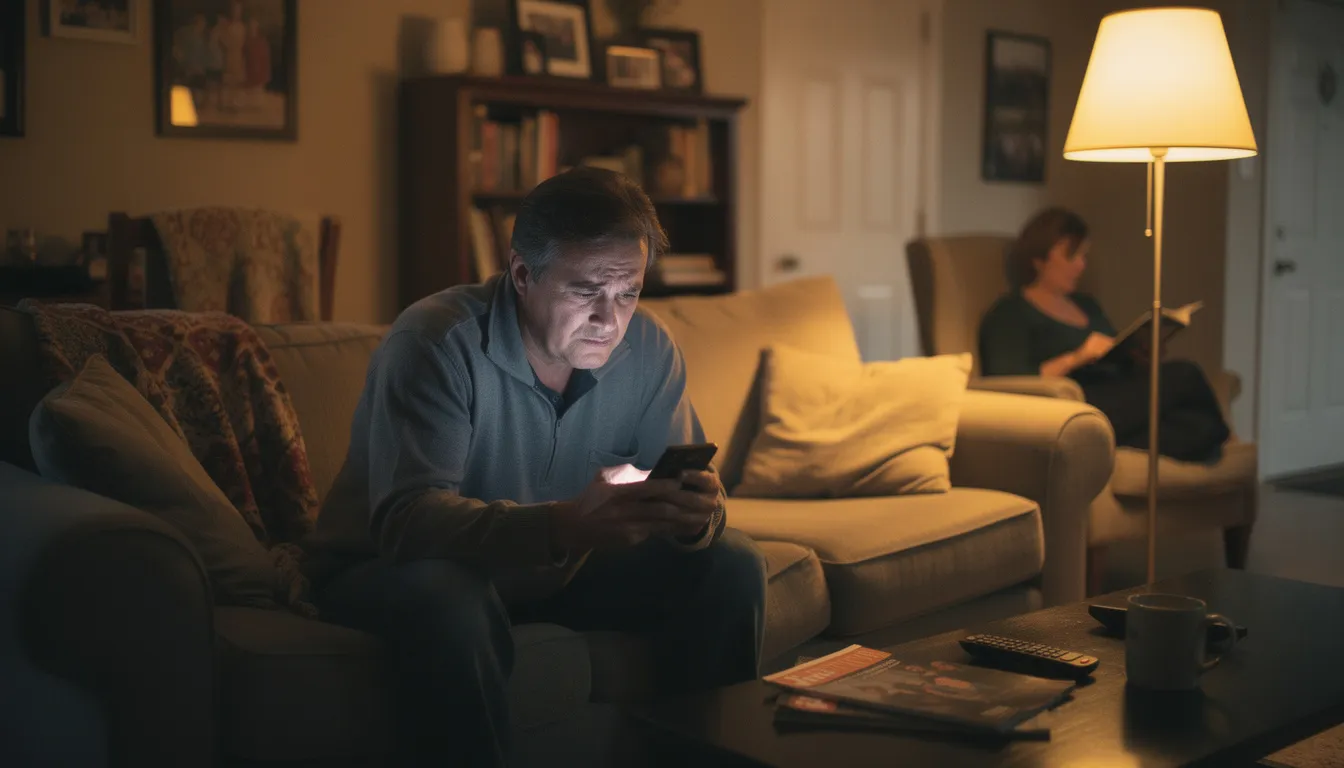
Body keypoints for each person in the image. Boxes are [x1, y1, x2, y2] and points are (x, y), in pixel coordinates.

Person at [308, 167, 768, 767]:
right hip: (388, 570)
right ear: (523, 274)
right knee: (450, 599)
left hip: (561, 571)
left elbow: (681, 488)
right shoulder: (437, 343)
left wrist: (694, 517)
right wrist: (563, 526)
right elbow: (407, 523)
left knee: (731, 566)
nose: (610, 319)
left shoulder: (650, 348)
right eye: (585, 292)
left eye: (628, 292)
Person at [978, 207, 1229, 463]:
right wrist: (1076, 358)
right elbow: (1007, 380)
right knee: (1185, 373)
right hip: (1079, 402)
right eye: (1071, 256)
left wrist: (1140, 352)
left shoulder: (1088, 305)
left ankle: (1113, 448)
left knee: (1196, 425)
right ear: (1039, 259)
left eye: (1084, 256)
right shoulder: (1010, 313)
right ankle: (1220, 439)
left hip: (1120, 395)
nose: (1081, 266)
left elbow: (1113, 352)